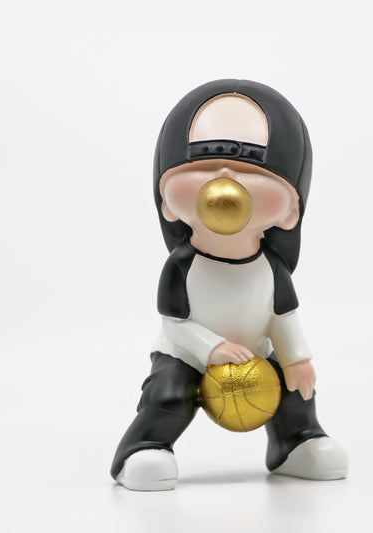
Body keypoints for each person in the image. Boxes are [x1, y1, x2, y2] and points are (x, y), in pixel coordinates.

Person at [111, 79, 348, 491]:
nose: (224, 180)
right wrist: (212, 349)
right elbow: (175, 325)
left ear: (291, 209)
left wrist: (296, 358)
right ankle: (143, 447)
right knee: (169, 395)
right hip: (188, 354)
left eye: (250, 172)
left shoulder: (271, 268)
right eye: (202, 168)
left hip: (256, 350)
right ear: (166, 199)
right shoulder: (183, 266)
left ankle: (295, 443)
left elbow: (282, 317)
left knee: (296, 390)